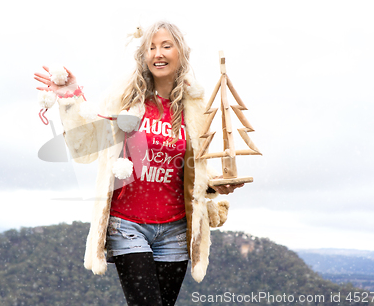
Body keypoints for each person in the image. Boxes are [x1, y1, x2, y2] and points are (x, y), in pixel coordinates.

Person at [35, 21, 244, 306]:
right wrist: (71, 98)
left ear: (181, 53)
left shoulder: (195, 105)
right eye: (150, 47)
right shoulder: (125, 97)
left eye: (166, 46)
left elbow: (196, 168)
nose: (157, 53)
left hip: (176, 230)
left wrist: (219, 184)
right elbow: (85, 149)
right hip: (127, 224)